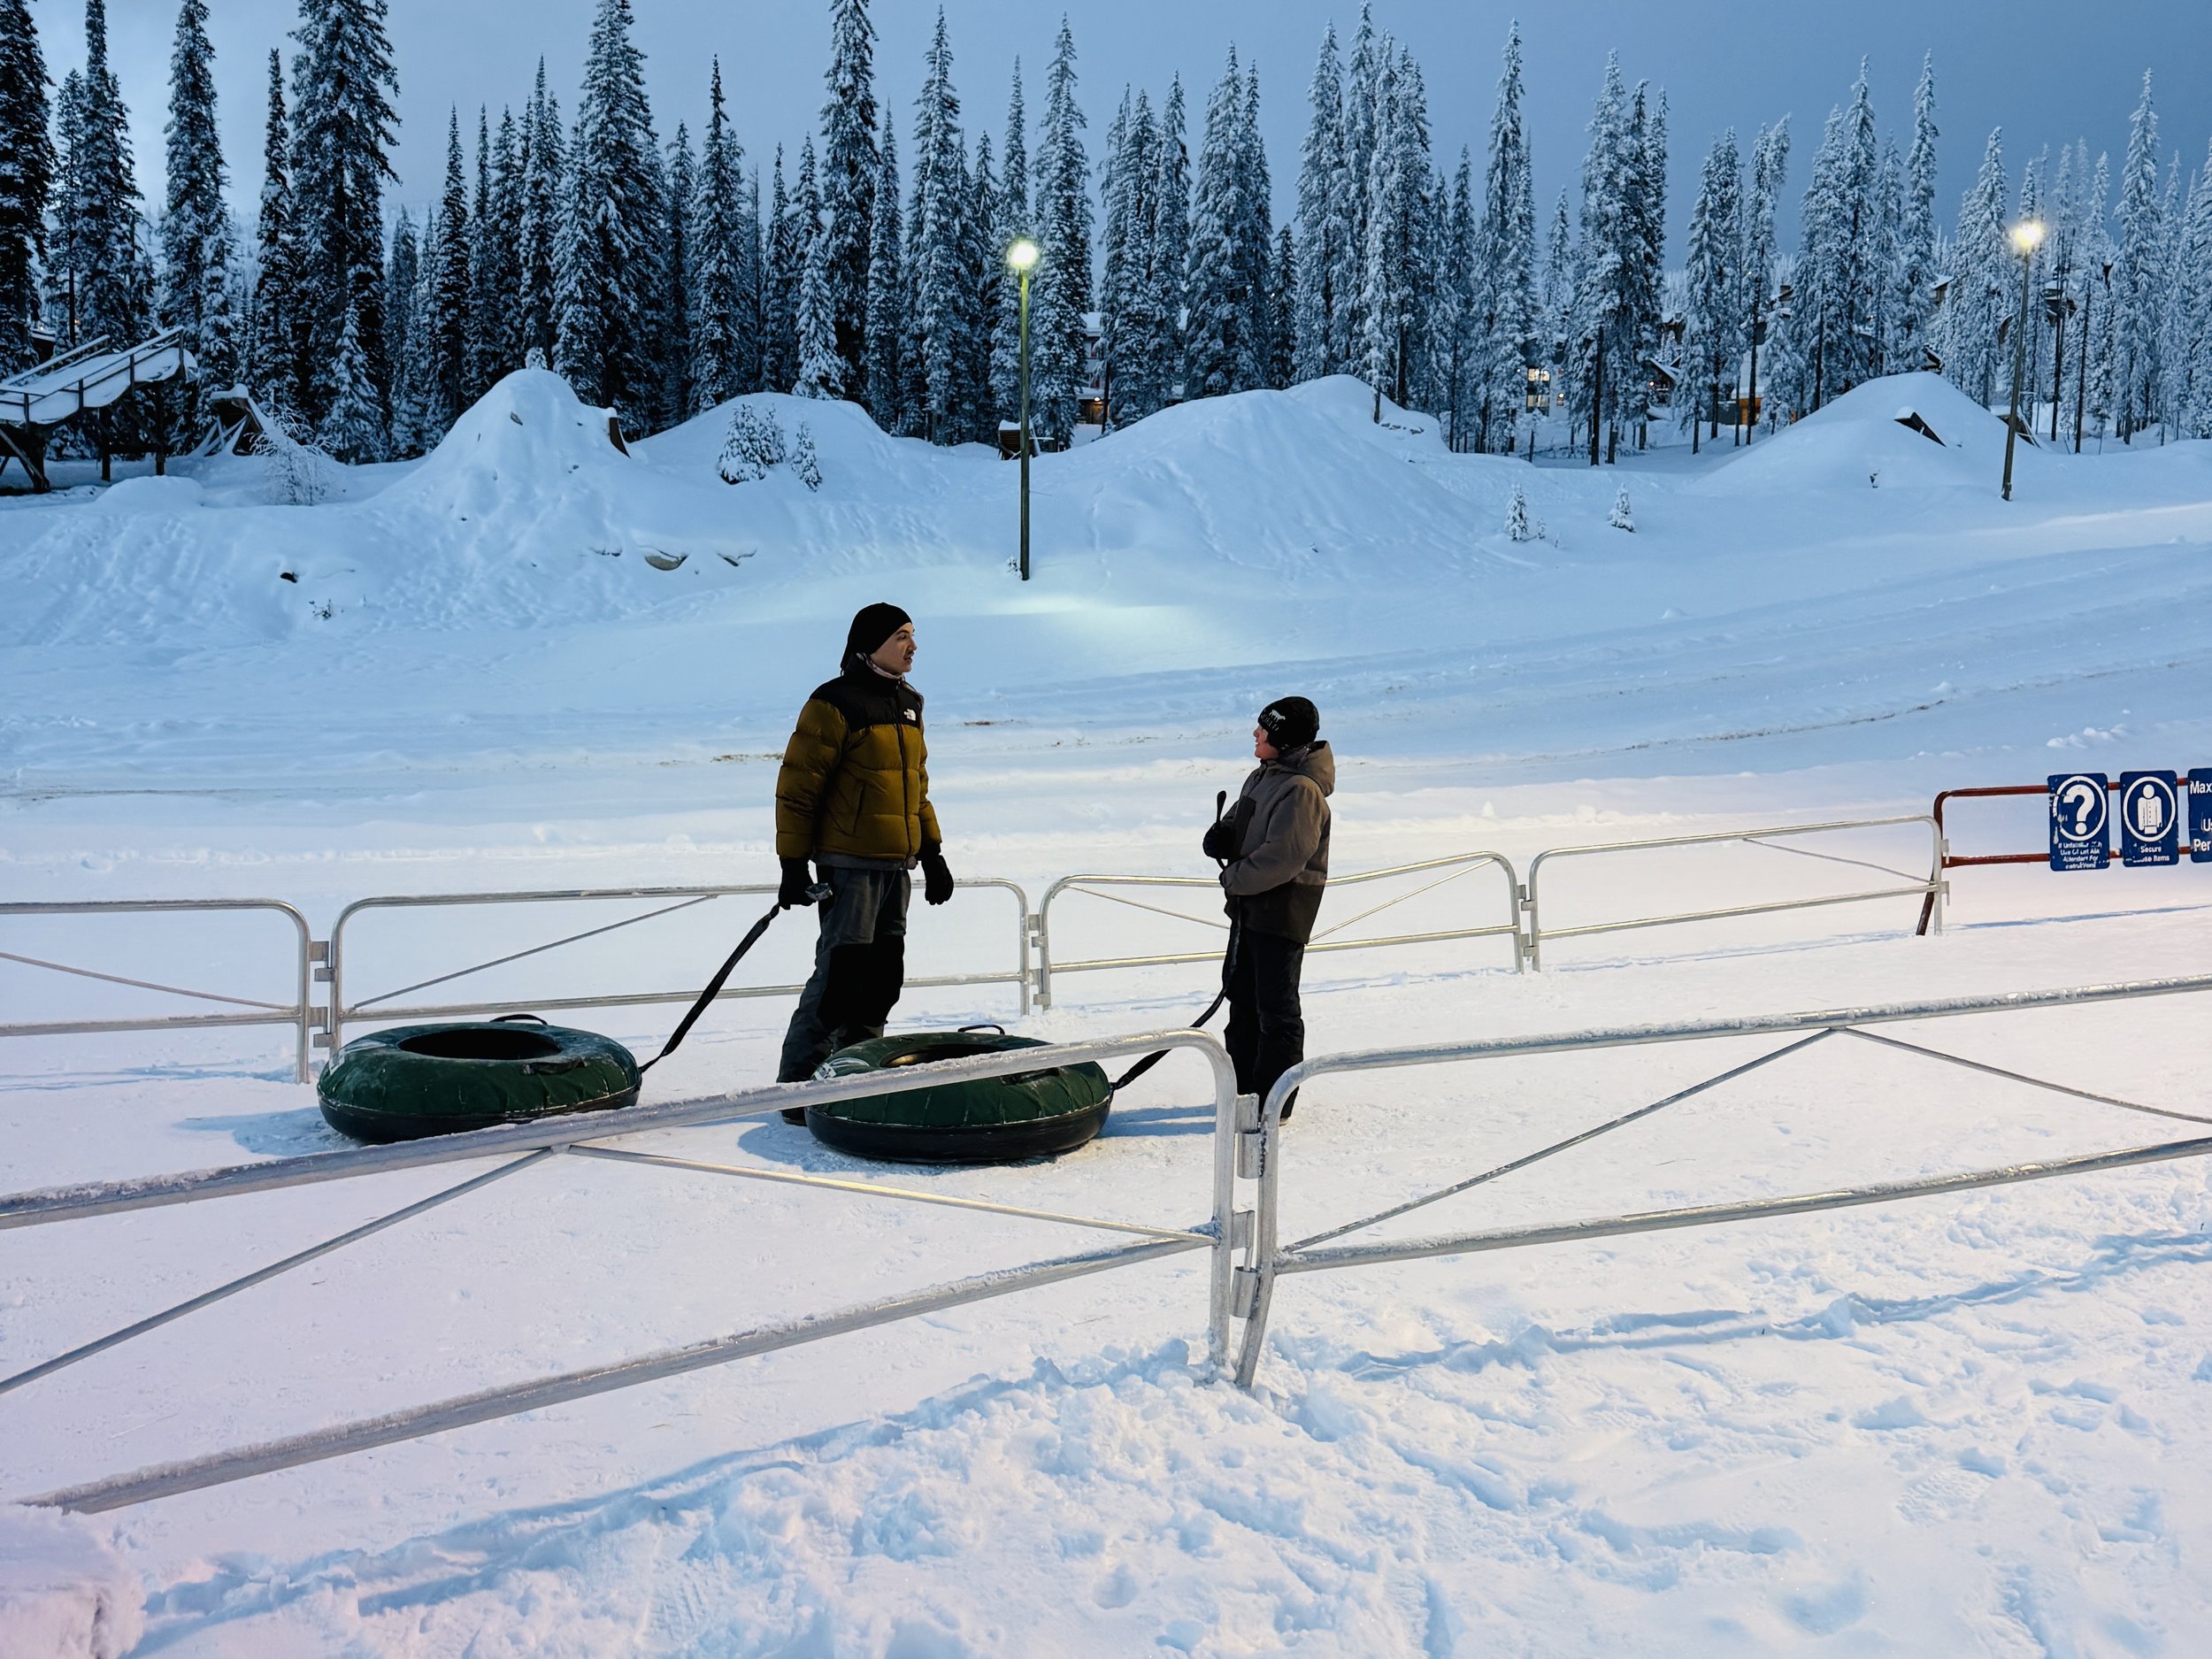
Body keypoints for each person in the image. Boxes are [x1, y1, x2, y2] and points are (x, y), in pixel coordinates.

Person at [772, 603, 954, 1116]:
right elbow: (797, 789)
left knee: (880, 980)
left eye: (912, 636)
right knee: (839, 980)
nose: (912, 647)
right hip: (848, 866)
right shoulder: (832, 703)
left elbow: (915, 788)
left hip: (897, 867)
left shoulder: (909, 703)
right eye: (901, 637)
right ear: (869, 644)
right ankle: (798, 1090)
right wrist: (793, 865)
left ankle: (853, 1079)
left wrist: (933, 852)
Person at [1201, 696, 1333, 1123]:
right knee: (1242, 1000)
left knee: (1275, 1011)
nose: (1256, 734)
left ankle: (1273, 1105)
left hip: (1282, 914)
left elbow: (1285, 857)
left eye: (1264, 729)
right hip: (1249, 910)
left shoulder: (1301, 790)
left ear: (1284, 737)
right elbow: (1243, 821)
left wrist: (1233, 878)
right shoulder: (1263, 776)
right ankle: (1242, 1094)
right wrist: (1222, 834)